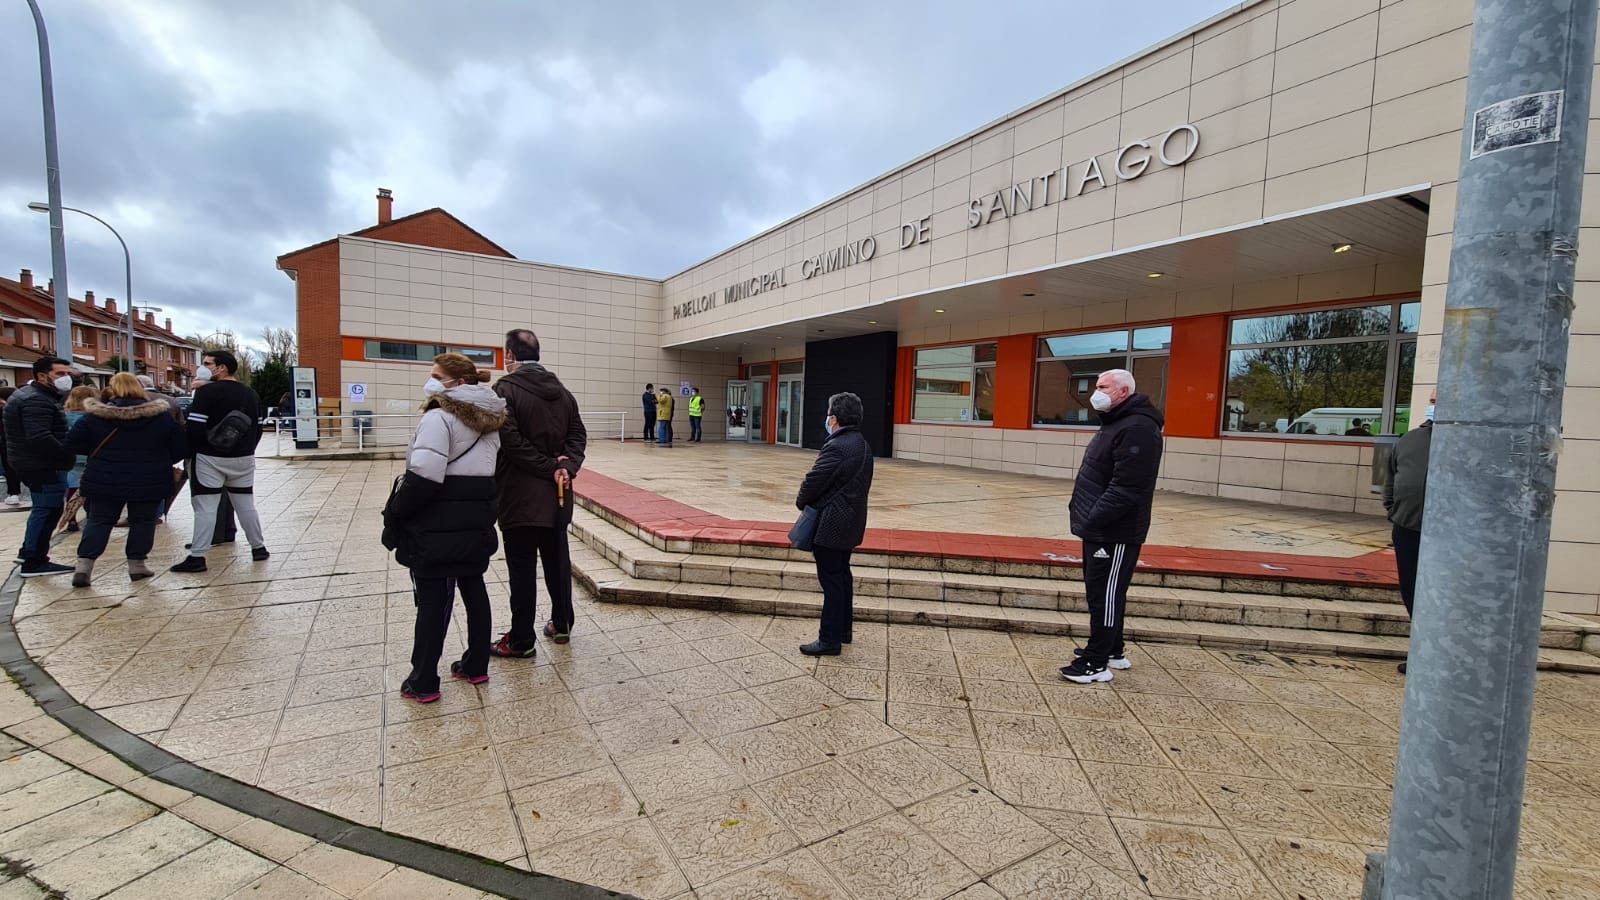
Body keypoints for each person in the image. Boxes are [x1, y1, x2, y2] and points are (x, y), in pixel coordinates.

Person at [382, 353, 504, 702]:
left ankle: (423, 680)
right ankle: (476, 665)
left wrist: (397, 512)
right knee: (474, 588)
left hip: (436, 520)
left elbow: (423, 477)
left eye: (437, 376)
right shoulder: (492, 421)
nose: (431, 381)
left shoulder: (439, 418)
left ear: (457, 383)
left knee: (433, 601)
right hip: (475, 518)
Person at [1060, 369, 1165, 684]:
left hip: (1115, 530)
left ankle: (1096, 662)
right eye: (1096, 386)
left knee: (1105, 594)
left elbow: (1128, 488)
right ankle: (1114, 650)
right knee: (1102, 591)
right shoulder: (1118, 423)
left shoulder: (1138, 429)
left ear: (1123, 392)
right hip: (1101, 527)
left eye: (1103, 387)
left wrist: (1094, 517)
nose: (1096, 392)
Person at [491, 329, 586, 656]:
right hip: (557, 495)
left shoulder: (504, 391)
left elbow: (511, 444)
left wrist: (550, 466)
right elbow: (577, 437)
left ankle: (521, 641)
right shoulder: (563, 393)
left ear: (510, 356)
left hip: (519, 498)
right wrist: (565, 467)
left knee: (522, 570)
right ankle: (563, 625)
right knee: (558, 562)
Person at [62, 373, 187, 586]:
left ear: (112, 390)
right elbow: (180, 447)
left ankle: (84, 566)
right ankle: (137, 565)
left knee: (99, 521)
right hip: (149, 479)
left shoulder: (94, 416)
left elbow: (72, 444)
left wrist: (98, 455)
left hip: (104, 478)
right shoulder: (160, 417)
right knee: (143, 522)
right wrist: (160, 459)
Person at [170, 350, 267, 572]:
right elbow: (258, 428)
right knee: (245, 505)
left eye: (207, 364)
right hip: (243, 458)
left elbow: (195, 427)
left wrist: (193, 452)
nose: (202, 368)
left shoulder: (207, 393)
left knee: (206, 506)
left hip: (209, 458)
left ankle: (198, 557)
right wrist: (247, 449)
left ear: (221, 367)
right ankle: (258, 548)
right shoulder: (250, 394)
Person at [796, 392, 875, 656]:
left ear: (835, 418)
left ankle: (829, 640)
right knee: (842, 577)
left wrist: (801, 502)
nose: (827, 418)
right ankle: (843, 631)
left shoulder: (838, 446)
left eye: (829, 413)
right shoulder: (861, 443)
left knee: (832, 583)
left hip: (831, 524)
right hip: (850, 523)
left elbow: (813, 481)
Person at [5, 358, 77, 577]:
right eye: (59, 374)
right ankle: (34, 560)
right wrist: (66, 457)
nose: (66, 379)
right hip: (43, 464)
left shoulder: (28, 395)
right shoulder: (37, 400)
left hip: (30, 462)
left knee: (42, 508)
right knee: (48, 510)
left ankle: (28, 551)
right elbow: (40, 437)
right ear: (42, 376)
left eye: (67, 373)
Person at [1384, 387, 1436, 675]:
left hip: (1449, 537)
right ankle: (1423, 652)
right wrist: (1393, 509)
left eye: (1439, 401)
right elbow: (1391, 476)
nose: (1433, 406)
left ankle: (1441, 654)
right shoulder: (1410, 440)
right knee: (1412, 590)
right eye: (1432, 400)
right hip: (1408, 529)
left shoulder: (1469, 444)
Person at [60, 386, 98, 533]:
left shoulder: (64, 415)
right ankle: (91, 515)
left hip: (72, 457)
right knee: (92, 487)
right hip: (91, 456)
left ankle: (71, 518)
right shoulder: (94, 417)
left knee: (72, 487)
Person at [0, 387, 20, 506]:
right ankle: (13, 493)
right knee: (10, 468)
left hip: (9, 442)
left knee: (11, 468)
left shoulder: (9, 410)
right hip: (10, 442)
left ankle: (14, 493)